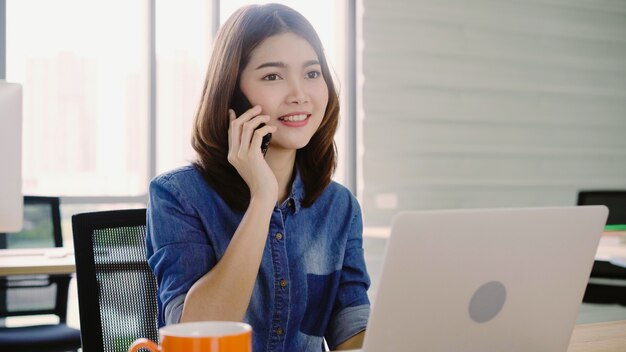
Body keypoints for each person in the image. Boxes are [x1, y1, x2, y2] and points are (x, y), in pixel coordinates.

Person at [146, 4, 370, 351]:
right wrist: (263, 199)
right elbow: (198, 335)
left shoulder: (339, 207)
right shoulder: (178, 195)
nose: (299, 94)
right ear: (233, 93)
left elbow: (351, 329)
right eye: (272, 76)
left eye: (312, 74)